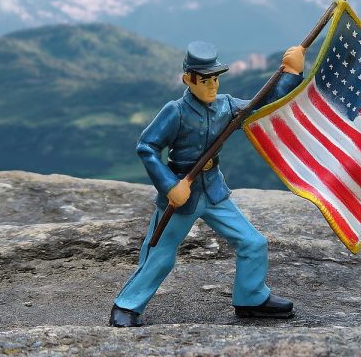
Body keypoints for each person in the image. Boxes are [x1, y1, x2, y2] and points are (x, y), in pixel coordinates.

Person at [109, 40, 305, 327]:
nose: (212, 85)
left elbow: (261, 105)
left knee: (253, 242)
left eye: (215, 78)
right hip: (181, 193)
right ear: (188, 79)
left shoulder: (226, 106)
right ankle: (126, 305)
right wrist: (168, 184)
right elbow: (147, 147)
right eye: (205, 80)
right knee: (160, 254)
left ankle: (251, 298)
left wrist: (291, 73)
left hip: (213, 190)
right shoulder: (175, 111)